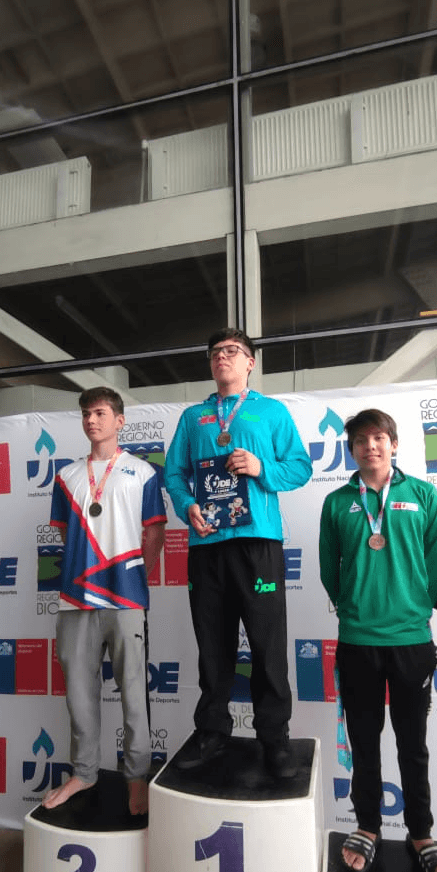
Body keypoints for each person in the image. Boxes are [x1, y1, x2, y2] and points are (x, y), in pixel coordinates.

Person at [319, 408, 437, 872]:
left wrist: (413, 606)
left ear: (393, 444)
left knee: (412, 744)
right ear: (351, 450)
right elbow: (329, 569)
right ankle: (367, 826)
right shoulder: (337, 502)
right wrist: (353, 607)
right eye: (360, 440)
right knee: (364, 740)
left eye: (378, 438)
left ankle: (421, 832)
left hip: (411, 641)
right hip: (358, 641)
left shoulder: (422, 494)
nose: (370, 446)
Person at [165, 328, 312, 778]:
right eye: (215, 352)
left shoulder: (271, 411)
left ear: (250, 362)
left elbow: (300, 467)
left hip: (257, 542)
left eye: (232, 351)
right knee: (212, 646)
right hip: (207, 543)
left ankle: (274, 738)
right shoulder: (193, 417)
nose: (222, 357)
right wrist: (187, 506)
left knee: (267, 645)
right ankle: (212, 731)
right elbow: (174, 474)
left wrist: (261, 466)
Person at [43, 387, 166, 815]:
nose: (91, 420)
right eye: (85, 414)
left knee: (134, 692)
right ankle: (84, 772)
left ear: (119, 420)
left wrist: (134, 579)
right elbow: (64, 531)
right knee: (79, 694)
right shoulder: (66, 476)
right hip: (75, 598)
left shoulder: (143, 472)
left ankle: (137, 777)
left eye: (99, 413)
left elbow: (155, 531)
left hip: (125, 597)